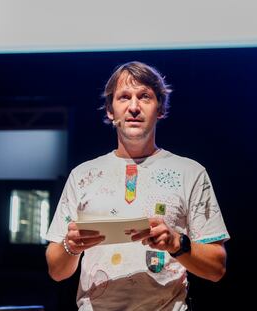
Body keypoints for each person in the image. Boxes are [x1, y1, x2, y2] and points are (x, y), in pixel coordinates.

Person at [45, 61, 229, 311]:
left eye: (144, 97)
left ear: (160, 109)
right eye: (124, 97)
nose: (133, 107)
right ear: (110, 111)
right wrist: (71, 246)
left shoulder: (190, 173)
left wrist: (177, 243)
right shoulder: (82, 175)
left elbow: (217, 268)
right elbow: (56, 271)